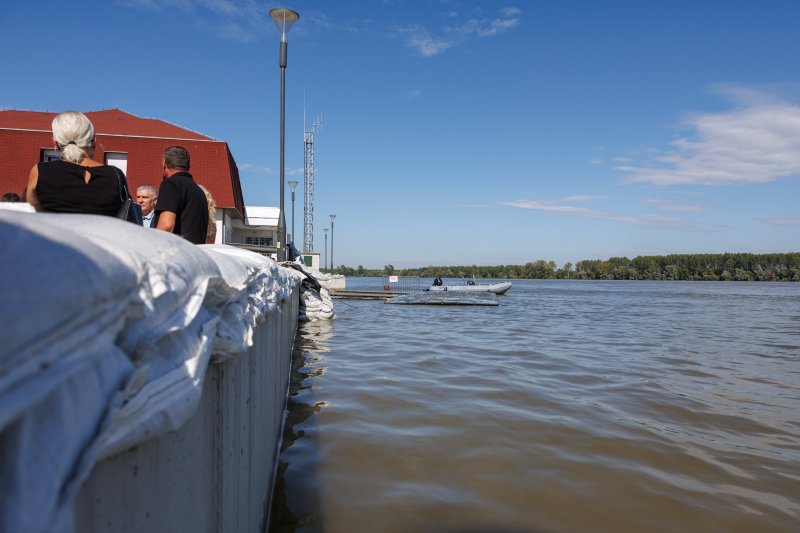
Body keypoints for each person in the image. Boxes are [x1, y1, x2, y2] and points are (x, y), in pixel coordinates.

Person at [26, 111, 126, 216]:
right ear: (94, 141)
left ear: (55, 143)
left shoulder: (40, 172)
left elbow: (34, 216)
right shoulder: (116, 175)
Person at [155, 146, 208, 244]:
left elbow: (166, 225)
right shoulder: (198, 191)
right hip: (195, 254)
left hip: (175, 254)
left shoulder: (171, 184)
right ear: (188, 165)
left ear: (164, 164)